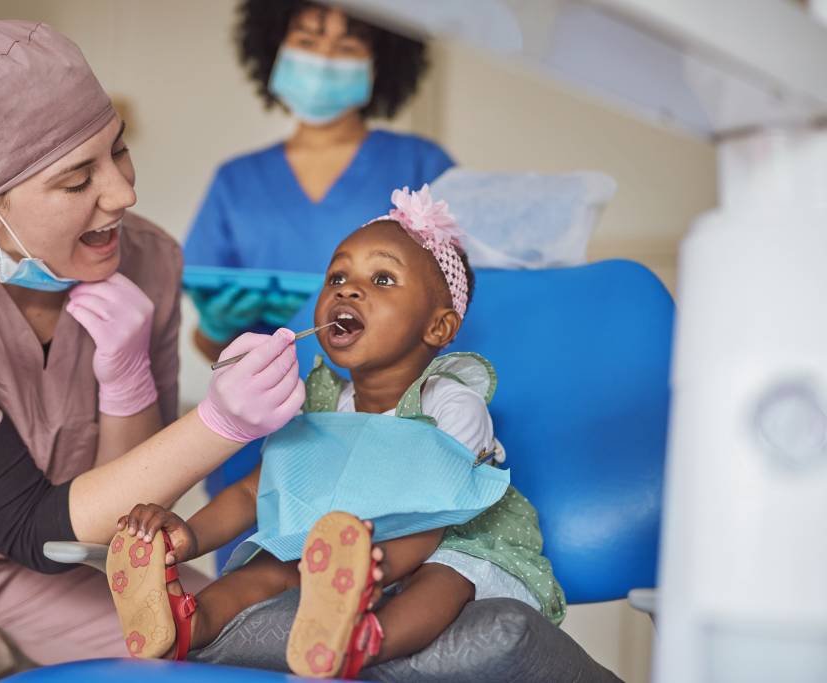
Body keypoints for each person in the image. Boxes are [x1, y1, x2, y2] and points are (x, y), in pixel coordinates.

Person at [0, 20, 304, 681]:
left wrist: (127, 383)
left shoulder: (150, 260)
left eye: (118, 151)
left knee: (218, 642)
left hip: (31, 557)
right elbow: (29, 524)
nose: (124, 193)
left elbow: (108, 520)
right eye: (77, 180)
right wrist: (224, 423)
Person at [106, 187, 566, 678]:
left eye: (383, 278)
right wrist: (188, 536)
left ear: (438, 327)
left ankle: (365, 641)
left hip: (444, 539)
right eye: (337, 276)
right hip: (343, 558)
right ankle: (187, 626)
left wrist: (370, 570)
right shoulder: (320, 403)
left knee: (447, 578)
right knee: (268, 565)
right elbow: (253, 490)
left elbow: (430, 521)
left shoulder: (451, 405)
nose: (346, 289)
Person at [184, 0, 455, 361]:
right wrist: (215, 327)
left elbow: (464, 309)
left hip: (391, 407)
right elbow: (211, 348)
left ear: (381, 64)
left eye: (346, 47)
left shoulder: (424, 165)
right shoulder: (235, 181)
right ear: (274, 49)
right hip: (271, 407)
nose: (324, 60)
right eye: (307, 42)